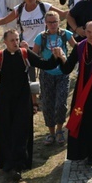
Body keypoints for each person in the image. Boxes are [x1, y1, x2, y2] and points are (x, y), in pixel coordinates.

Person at [0, 29, 59, 180]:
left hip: (22, 98)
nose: (15, 42)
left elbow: (45, 65)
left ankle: (18, 165)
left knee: (21, 130)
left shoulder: (26, 54)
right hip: (4, 100)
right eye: (12, 40)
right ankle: (8, 163)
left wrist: (56, 57)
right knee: (5, 130)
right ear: (5, 42)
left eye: (17, 39)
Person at [51, 22, 92, 167]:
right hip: (84, 93)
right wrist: (60, 57)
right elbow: (67, 69)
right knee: (88, 125)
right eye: (89, 32)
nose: (91, 35)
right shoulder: (79, 47)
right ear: (84, 32)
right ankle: (90, 154)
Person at [33, 11, 75, 146]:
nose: (52, 24)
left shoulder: (65, 34)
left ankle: (59, 130)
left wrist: (69, 60)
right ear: (45, 23)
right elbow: (34, 55)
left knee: (61, 103)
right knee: (48, 104)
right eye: (50, 22)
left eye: (55, 22)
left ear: (59, 22)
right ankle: (51, 133)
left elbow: (77, 47)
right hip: (47, 74)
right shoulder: (41, 37)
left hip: (62, 73)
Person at [0, 0, 68, 48]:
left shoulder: (44, 6)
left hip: (43, 45)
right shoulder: (19, 9)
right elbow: (4, 21)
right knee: (29, 72)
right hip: (26, 46)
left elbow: (63, 14)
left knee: (44, 72)